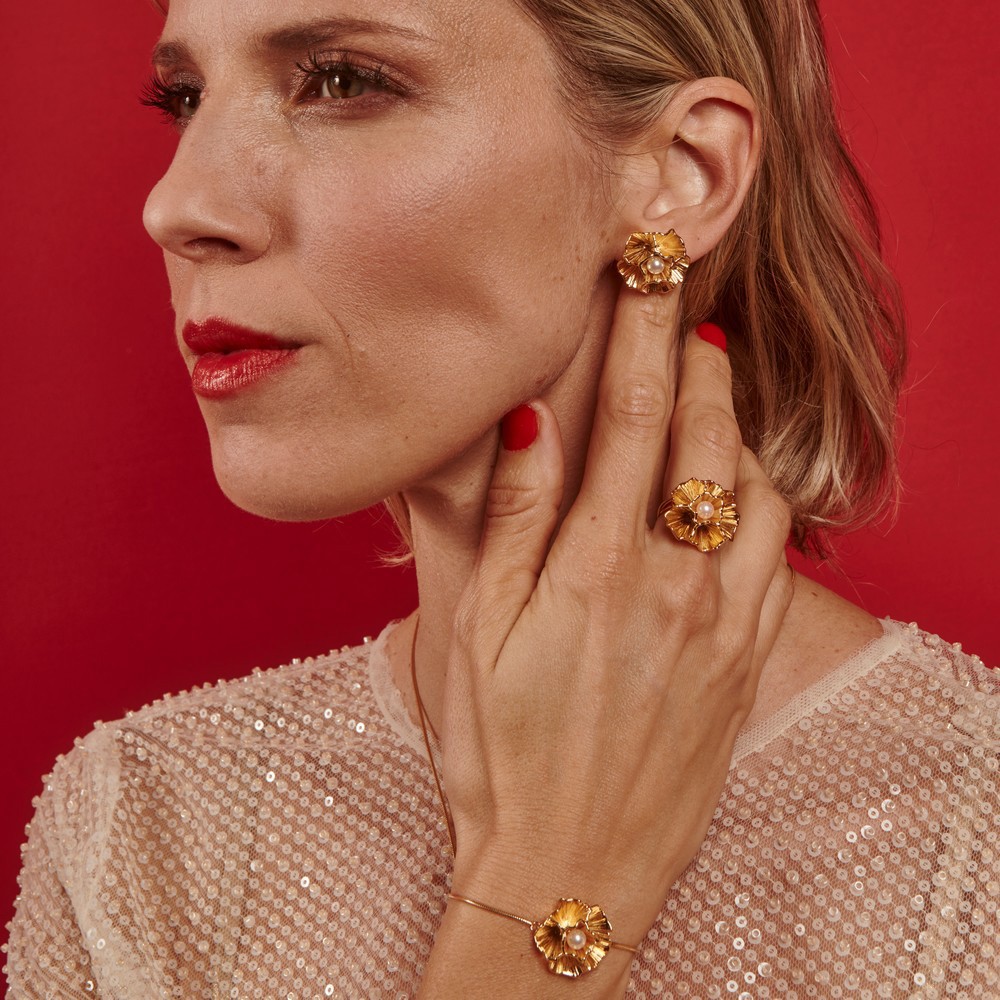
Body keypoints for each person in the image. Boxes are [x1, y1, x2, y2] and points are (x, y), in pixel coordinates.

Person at [5, 0, 998, 997]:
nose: (176, 207)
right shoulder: (143, 825)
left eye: (343, 80)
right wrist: (550, 888)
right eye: (185, 97)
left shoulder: (973, 831)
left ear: (682, 172)